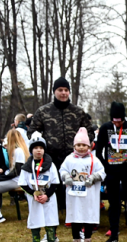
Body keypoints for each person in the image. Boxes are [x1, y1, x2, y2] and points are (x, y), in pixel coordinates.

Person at [28, 77, 97, 212]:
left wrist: (82, 145)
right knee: (54, 184)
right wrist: (41, 145)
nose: (63, 93)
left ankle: (74, 212)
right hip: (51, 157)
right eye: (60, 90)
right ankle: (55, 211)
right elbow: (32, 132)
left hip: (74, 157)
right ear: (54, 92)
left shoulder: (78, 111)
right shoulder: (43, 111)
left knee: (74, 183)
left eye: (66, 90)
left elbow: (90, 133)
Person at [95, 102, 127, 242]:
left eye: (119, 120)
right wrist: (106, 167)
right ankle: (114, 236)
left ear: (123, 118)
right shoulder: (105, 128)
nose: (117, 123)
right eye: (114, 120)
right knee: (114, 204)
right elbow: (98, 151)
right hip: (112, 172)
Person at [60, 128, 105, 242]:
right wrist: (66, 176)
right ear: (74, 146)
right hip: (74, 194)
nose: (81, 148)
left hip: (89, 194)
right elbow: (62, 170)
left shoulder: (93, 160)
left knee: (88, 217)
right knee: (75, 217)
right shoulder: (69, 159)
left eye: (84, 145)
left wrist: (94, 177)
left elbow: (102, 172)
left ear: (89, 146)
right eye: (78, 145)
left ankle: (88, 241)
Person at [17, 137, 60, 242]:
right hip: (34, 200)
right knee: (35, 221)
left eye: (41, 148)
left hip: (48, 198)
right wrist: (33, 194)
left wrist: (47, 195)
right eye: (36, 148)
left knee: (50, 220)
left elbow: (55, 182)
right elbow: (23, 183)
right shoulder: (26, 167)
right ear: (31, 150)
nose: (38, 150)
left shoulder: (50, 165)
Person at [0, 129, 29, 225]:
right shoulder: (17, 150)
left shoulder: (18, 151)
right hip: (14, 179)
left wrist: (1, 178)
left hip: (16, 181)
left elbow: (17, 171)